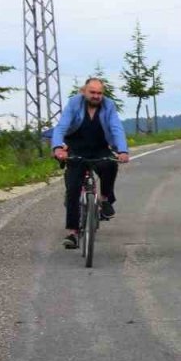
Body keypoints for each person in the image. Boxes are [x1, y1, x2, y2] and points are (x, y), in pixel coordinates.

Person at [51, 77, 130, 249]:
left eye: (99, 93)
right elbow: (61, 127)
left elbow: (116, 127)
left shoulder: (108, 105)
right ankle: (72, 232)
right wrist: (58, 147)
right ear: (84, 91)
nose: (96, 96)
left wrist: (123, 150)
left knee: (110, 164)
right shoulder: (74, 103)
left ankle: (104, 199)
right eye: (92, 92)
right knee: (72, 189)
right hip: (76, 149)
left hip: (100, 147)